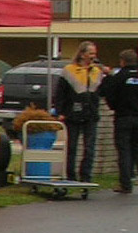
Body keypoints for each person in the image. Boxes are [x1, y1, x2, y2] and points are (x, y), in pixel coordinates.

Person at [53, 40, 110, 182]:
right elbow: (60, 93)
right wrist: (60, 111)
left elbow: (103, 91)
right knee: (72, 147)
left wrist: (108, 76)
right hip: (72, 113)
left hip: (90, 114)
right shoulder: (69, 70)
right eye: (90, 53)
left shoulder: (96, 71)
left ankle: (86, 176)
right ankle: (70, 175)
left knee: (89, 147)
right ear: (82, 54)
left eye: (94, 54)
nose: (93, 56)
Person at [100, 48, 138, 195]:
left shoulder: (119, 77)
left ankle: (125, 184)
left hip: (123, 118)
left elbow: (106, 93)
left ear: (122, 62)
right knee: (135, 150)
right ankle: (131, 175)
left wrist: (107, 76)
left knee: (124, 151)